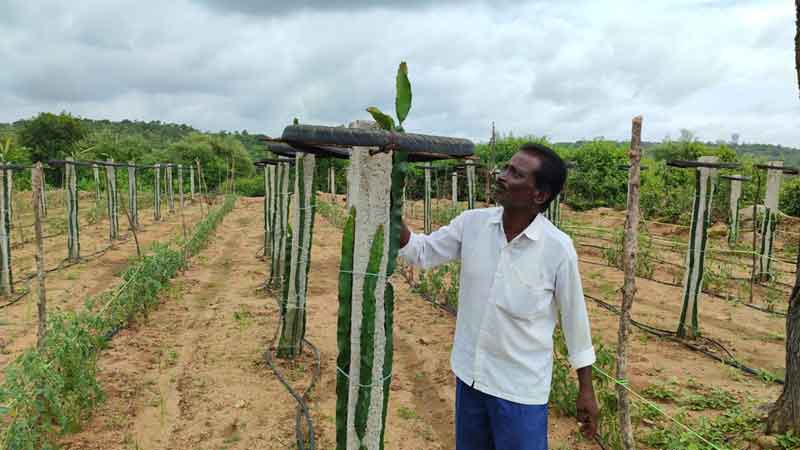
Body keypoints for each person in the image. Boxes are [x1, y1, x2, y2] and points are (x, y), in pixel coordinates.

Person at [398, 142, 599, 450]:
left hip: (520, 391)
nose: (502, 176)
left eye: (516, 174)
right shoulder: (472, 224)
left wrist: (586, 388)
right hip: (471, 378)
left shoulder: (558, 249)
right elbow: (422, 251)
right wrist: (385, 206)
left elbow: (575, 320)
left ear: (540, 195)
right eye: (505, 168)